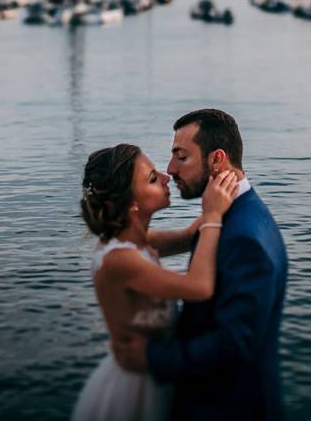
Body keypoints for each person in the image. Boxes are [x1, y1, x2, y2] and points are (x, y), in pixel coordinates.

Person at [113, 109, 288, 420]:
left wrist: (151, 357)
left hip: (227, 409)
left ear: (216, 159)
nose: (170, 169)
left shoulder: (243, 237)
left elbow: (232, 344)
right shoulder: (229, 217)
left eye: (181, 157)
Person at [72, 143, 240, 421]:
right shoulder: (120, 260)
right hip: (135, 391)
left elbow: (189, 237)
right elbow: (200, 286)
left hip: (158, 372)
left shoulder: (138, 242)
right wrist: (212, 215)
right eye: (152, 178)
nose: (165, 177)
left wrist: (223, 183)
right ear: (131, 203)